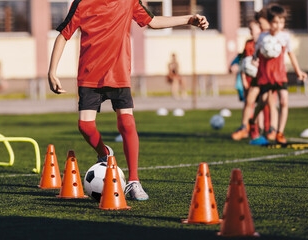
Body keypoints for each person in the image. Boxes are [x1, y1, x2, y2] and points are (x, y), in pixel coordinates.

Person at [48, 0, 208, 200]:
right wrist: (52, 71)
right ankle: (104, 154)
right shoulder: (81, 3)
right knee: (85, 126)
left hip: (118, 73)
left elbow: (152, 21)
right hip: (89, 76)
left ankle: (133, 181)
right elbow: (64, 35)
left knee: (127, 122)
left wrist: (189, 19)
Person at [249, 4, 308, 144]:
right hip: (266, 76)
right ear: (269, 22)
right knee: (262, 102)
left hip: (280, 75)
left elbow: (291, 54)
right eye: (275, 22)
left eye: (281, 22)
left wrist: (298, 71)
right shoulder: (263, 37)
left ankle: (280, 132)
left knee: (283, 101)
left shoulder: (285, 37)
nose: (278, 25)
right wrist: (254, 60)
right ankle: (253, 119)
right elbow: (256, 52)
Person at [231, 9, 274, 142]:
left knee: (266, 104)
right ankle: (245, 128)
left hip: (266, 78)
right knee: (249, 102)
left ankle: (269, 130)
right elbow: (244, 62)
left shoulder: (267, 43)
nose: (251, 32)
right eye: (250, 29)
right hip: (253, 79)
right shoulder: (249, 44)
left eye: (253, 29)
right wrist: (243, 78)